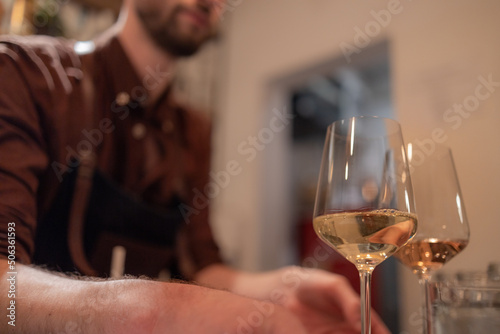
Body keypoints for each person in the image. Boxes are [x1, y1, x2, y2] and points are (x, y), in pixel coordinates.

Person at [0, 0, 390, 333]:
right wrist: (149, 309)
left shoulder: (193, 130)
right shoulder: (26, 74)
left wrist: (285, 287)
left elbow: (201, 266)